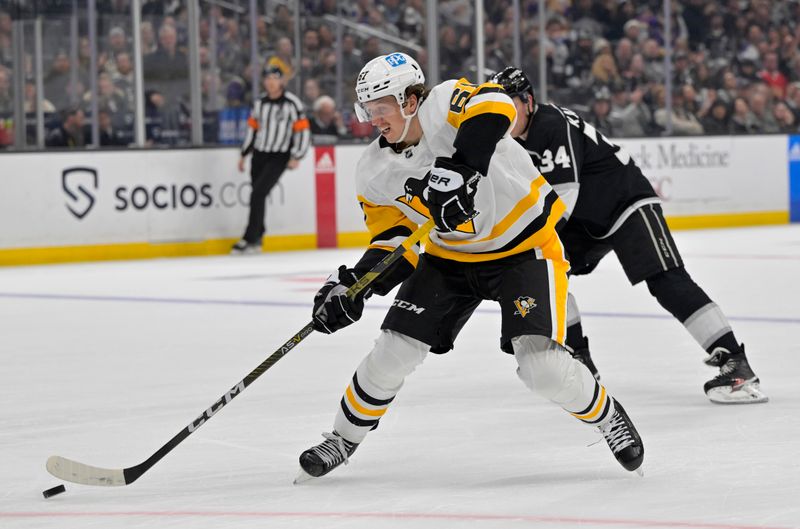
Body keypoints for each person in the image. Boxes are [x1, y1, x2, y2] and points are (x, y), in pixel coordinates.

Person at [296, 52, 644, 482]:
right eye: (368, 109)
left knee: (543, 369)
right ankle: (342, 438)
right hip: (450, 258)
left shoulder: (444, 103)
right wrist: (356, 285)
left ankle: (607, 415)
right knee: (392, 352)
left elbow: (497, 104)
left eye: (380, 107)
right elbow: (394, 241)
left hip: (524, 246)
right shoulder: (372, 170)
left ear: (409, 100)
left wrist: (460, 169)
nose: (373, 119)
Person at [489, 66, 767, 404]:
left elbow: (563, 197)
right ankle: (579, 359)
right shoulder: (511, 141)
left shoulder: (550, 124)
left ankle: (736, 363)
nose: (501, 116)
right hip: (586, 220)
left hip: (625, 202)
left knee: (667, 280)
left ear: (528, 101)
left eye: (508, 105)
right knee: (541, 269)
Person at [232, 64, 310, 254]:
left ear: (281, 80)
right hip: (259, 154)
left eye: (274, 78)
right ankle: (257, 236)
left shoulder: (293, 103)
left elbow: (302, 131)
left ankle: (249, 238)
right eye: (267, 79)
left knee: (257, 194)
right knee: (257, 195)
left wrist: (297, 155)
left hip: (279, 156)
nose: (271, 82)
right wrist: (244, 154)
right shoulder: (259, 103)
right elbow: (252, 130)